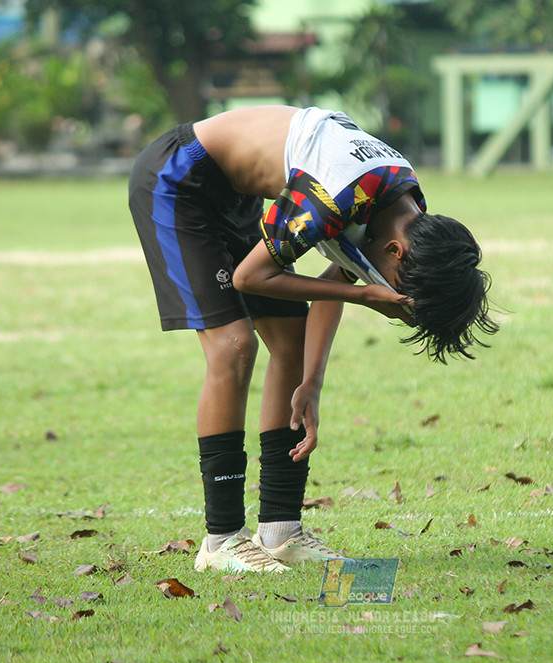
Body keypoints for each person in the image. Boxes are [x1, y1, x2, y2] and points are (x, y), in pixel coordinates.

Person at [128, 105, 497, 573]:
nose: (391, 300)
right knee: (235, 346)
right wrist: (361, 294)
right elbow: (250, 278)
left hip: (233, 192)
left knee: (291, 339)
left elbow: (338, 281)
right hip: (178, 179)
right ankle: (221, 541)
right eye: (399, 292)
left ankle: (281, 533)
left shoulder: (406, 209)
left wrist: (313, 383)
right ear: (395, 253)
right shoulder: (333, 197)